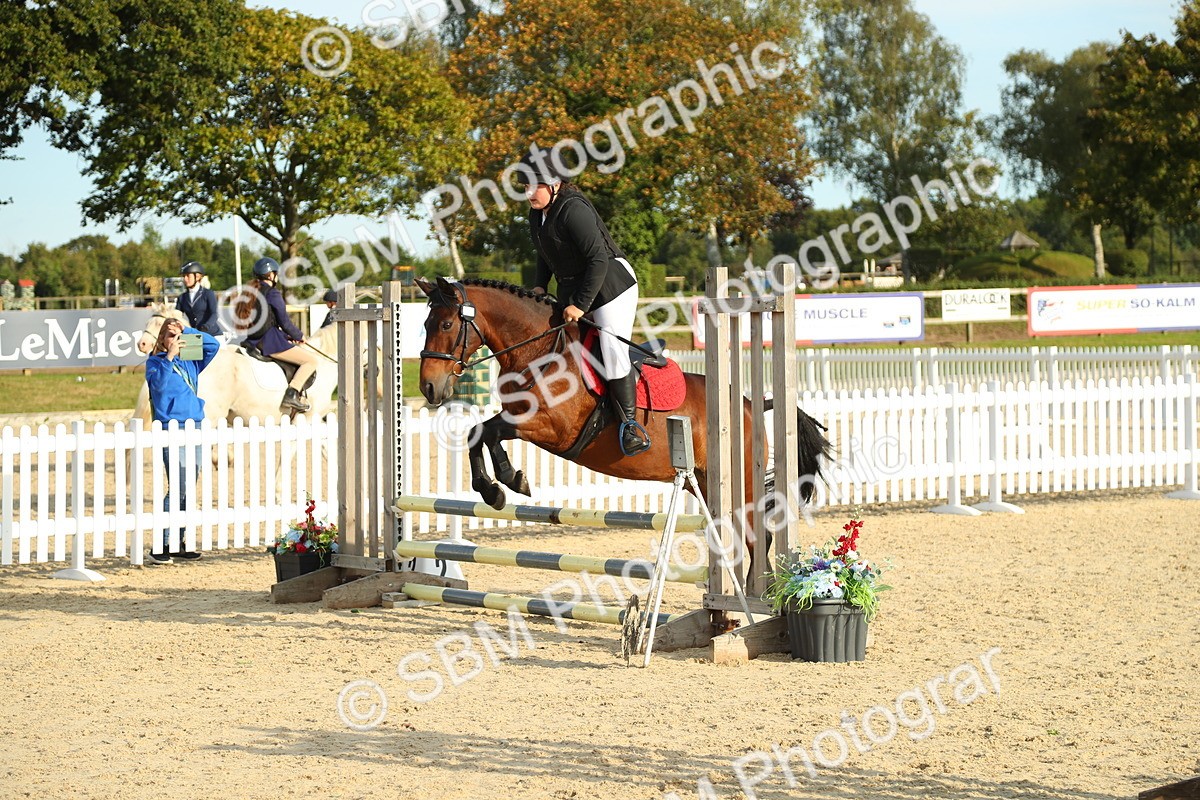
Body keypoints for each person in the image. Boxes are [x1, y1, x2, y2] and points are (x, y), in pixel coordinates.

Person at [516, 145, 650, 456]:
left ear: (554, 183)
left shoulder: (574, 210)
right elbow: (545, 253)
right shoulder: (538, 213)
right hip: (578, 288)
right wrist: (538, 286)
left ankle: (630, 425)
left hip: (610, 288)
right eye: (525, 187)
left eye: (533, 186)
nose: (529, 194)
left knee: (612, 348)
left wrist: (580, 304)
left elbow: (598, 260)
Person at [144, 318, 220, 564]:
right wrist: (169, 357)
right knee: (178, 485)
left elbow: (213, 345)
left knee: (189, 484)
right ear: (162, 340)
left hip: (194, 426)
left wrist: (187, 331)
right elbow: (159, 387)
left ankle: (178, 540)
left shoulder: (191, 361)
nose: (174, 341)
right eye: (169, 336)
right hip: (171, 427)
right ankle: (162, 542)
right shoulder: (155, 363)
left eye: (177, 336)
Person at [238, 257, 320, 412]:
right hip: (270, 342)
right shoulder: (272, 293)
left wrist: (285, 336)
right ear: (271, 275)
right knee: (311, 361)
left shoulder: (251, 292)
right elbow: (285, 322)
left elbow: (266, 321)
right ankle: (292, 393)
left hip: (255, 340)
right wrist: (299, 335)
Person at [175, 261, 221, 335]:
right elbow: (176, 316)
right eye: (184, 276)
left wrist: (206, 326)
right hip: (194, 335)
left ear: (197, 277)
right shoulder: (182, 298)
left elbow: (214, 314)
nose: (185, 279)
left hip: (212, 334)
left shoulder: (208, 294)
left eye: (188, 276)